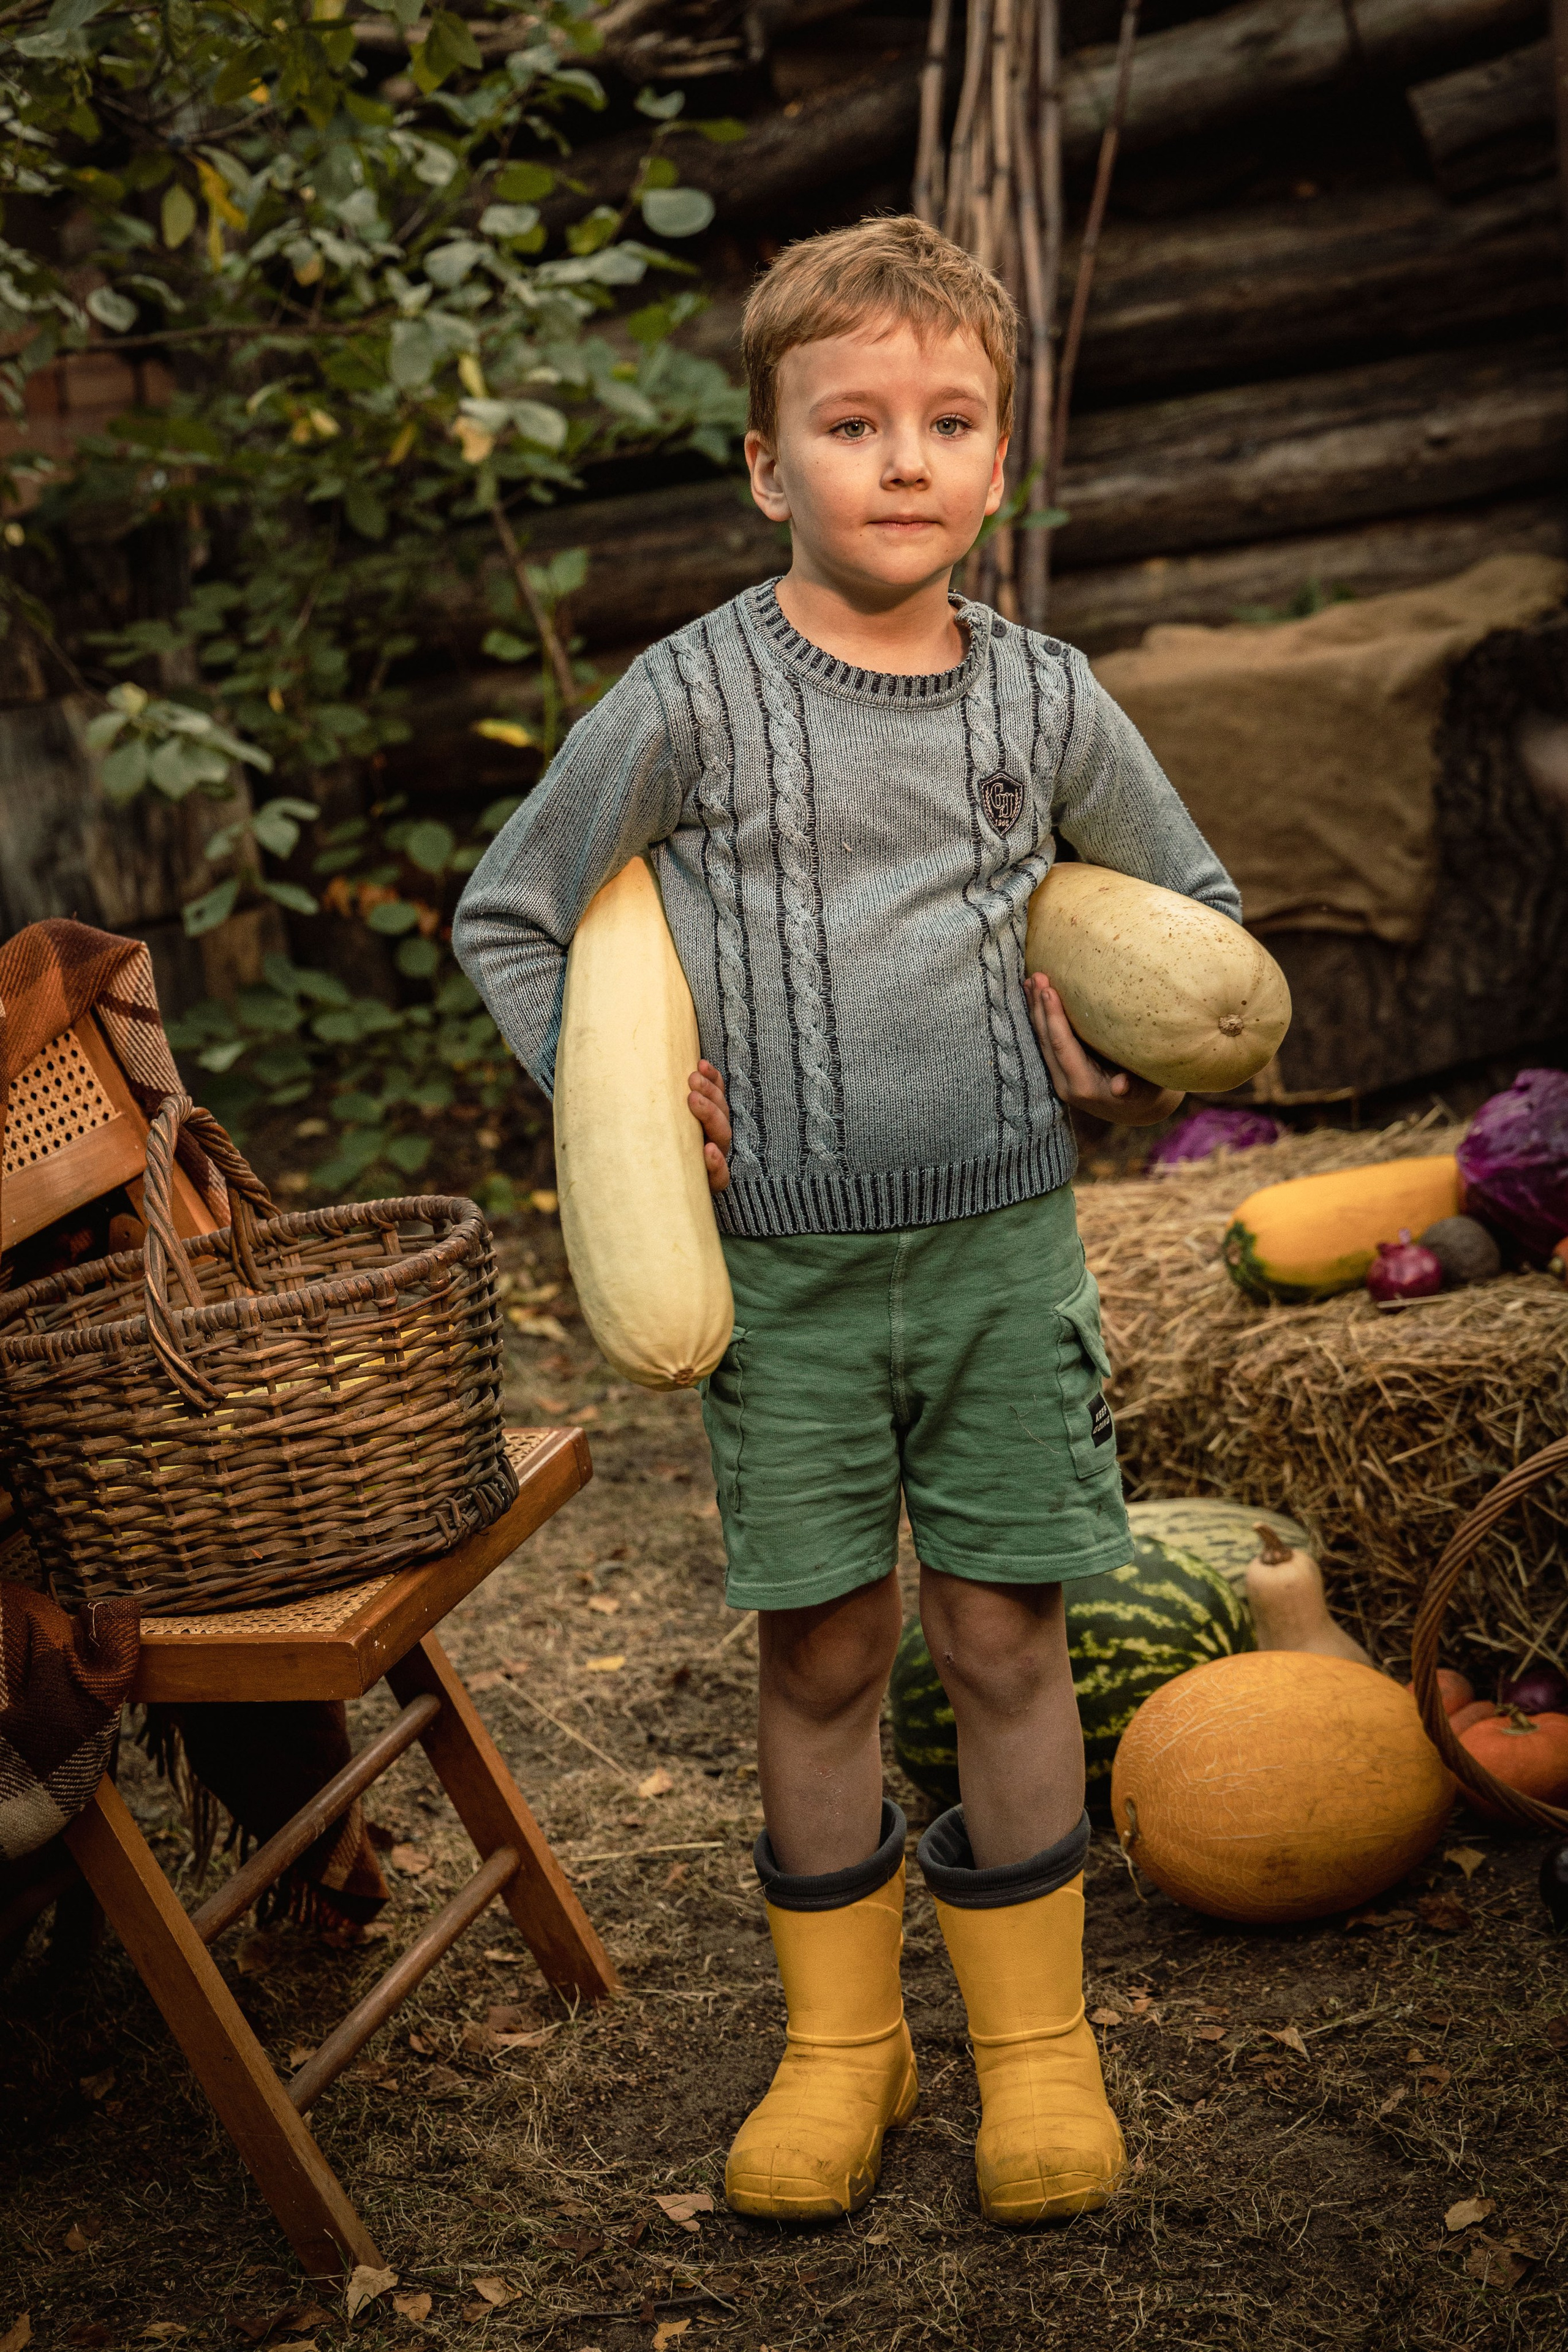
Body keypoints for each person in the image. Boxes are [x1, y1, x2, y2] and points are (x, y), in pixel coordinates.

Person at [454, 213, 1240, 2228]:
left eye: (947, 421)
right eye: (854, 422)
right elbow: (514, 909)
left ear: (1000, 459)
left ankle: (1034, 2055)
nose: (903, 460)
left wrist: (1112, 1059)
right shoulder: (692, 699)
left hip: (1001, 1257)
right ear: (766, 463)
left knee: (1004, 1634)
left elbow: (1199, 931)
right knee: (818, 1654)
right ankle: (842, 2051)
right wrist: (620, 1094)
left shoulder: (1049, 704)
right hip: (786, 1272)